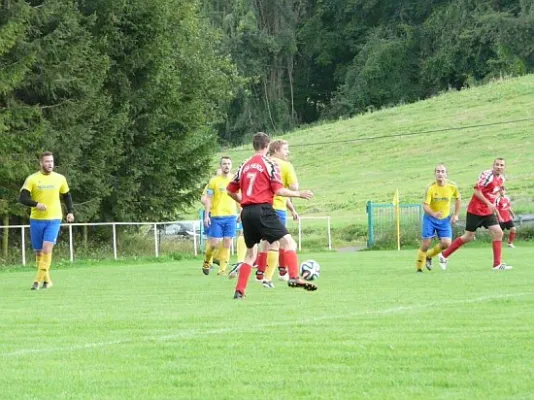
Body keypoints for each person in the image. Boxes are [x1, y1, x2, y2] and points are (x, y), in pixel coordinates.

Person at [226, 132, 317, 299]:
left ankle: (239, 291)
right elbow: (279, 190)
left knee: (250, 253)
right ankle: (295, 277)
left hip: (246, 212)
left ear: (253, 146)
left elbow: (229, 190)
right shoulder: (270, 164)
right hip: (263, 209)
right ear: (267, 146)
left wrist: (242, 199)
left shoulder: (244, 165)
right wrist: (299, 194)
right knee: (289, 243)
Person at [438, 158, 512, 270]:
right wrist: (489, 203)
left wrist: (493, 205)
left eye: (501, 165)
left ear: (504, 167)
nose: (499, 167)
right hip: (475, 210)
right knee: (468, 237)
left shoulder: (501, 179)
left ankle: (497, 264)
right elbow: (477, 191)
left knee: (498, 232)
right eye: (497, 164)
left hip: (487, 211)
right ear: (493, 165)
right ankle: (443, 255)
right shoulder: (487, 176)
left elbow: (493, 193)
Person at [19, 151, 74, 290]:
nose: (50, 164)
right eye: (47, 161)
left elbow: (67, 196)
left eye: (51, 161)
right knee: (39, 253)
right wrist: (36, 204)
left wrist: (70, 212)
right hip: (36, 219)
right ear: (41, 163)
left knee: (47, 248)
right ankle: (47, 281)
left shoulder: (60, 178)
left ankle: (37, 281)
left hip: (54, 218)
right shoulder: (32, 179)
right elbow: (22, 198)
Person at [258, 139, 299, 288]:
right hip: (277, 208)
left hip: (262, 208)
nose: (288, 152)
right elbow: (294, 187)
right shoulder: (286, 166)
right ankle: (270, 278)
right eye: (285, 149)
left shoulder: (263, 163)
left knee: (265, 243)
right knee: (281, 243)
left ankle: (261, 273)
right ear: (275, 150)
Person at [415, 164, 460, 272]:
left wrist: (456, 214)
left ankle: (429, 256)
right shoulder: (431, 188)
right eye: (438, 171)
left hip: (444, 220)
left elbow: (458, 199)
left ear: (446, 174)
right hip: (430, 219)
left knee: (447, 243)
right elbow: (425, 205)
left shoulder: (452, 187)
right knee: (426, 244)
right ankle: (419, 269)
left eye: (442, 171)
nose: (440, 173)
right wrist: (433, 213)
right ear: (435, 174)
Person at [202, 158, 238, 275]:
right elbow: (208, 199)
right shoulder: (214, 181)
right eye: (224, 164)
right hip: (216, 216)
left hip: (231, 215)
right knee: (214, 243)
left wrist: (242, 211)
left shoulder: (235, 180)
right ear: (220, 166)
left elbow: (239, 197)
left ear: (231, 165)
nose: (226, 166)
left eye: (228, 164)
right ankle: (207, 260)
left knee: (228, 241)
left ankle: (222, 270)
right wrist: (207, 215)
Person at [200, 168, 224, 267]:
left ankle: (216, 257)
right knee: (211, 238)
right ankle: (208, 262)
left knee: (223, 238)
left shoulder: (225, 185)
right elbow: (203, 199)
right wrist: (210, 204)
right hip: (211, 214)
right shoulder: (210, 186)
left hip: (223, 214)